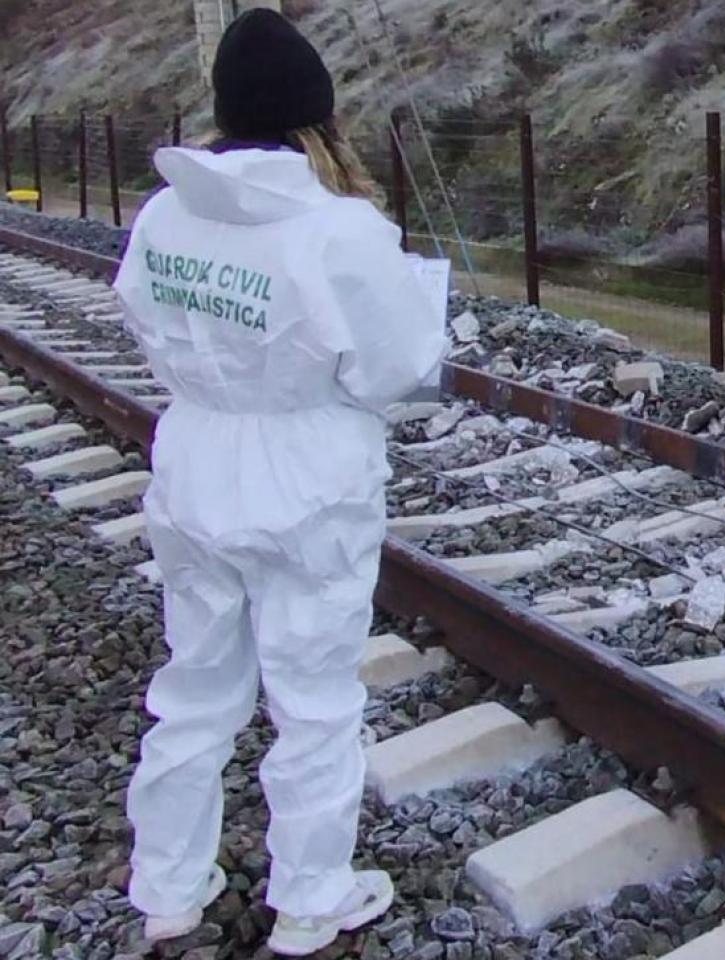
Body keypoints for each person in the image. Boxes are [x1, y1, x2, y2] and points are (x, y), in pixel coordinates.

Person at [112, 10, 447, 956]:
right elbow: (399, 373)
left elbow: (144, 321)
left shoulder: (167, 213)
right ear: (317, 121)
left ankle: (169, 888)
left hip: (196, 463)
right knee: (314, 699)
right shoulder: (341, 231)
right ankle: (310, 900)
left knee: (193, 687)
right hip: (309, 481)